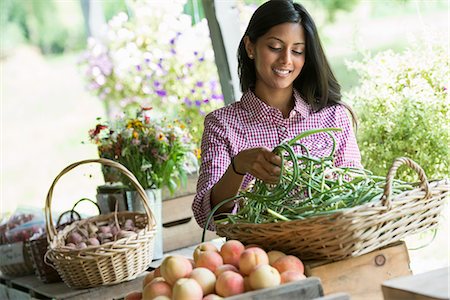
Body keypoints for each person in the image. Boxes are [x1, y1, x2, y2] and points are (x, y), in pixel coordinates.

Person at [192, 0, 362, 230]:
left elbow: (357, 193)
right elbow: (208, 216)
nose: (286, 60)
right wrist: (238, 167)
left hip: (328, 245)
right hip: (261, 257)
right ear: (250, 47)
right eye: (275, 47)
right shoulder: (222, 125)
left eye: (297, 51)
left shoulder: (333, 116)